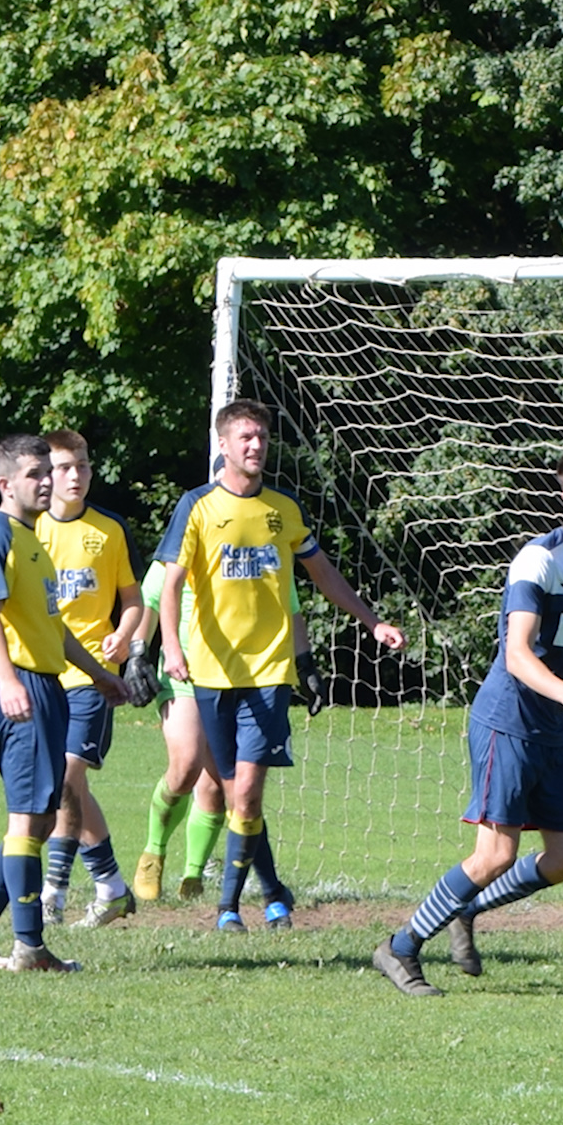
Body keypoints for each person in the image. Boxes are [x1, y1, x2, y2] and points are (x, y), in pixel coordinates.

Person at [373, 441, 563, 996]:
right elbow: (517, 655)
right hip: (506, 719)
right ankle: (401, 946)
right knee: (496, 853)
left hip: (548, 725)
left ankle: (465, 908)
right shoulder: (539, 559)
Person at [155, 399, 404, 931]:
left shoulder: (283, 509)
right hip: (210, 671)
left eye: (261, 437)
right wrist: (172, 649)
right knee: (229, 792)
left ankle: (227, 908)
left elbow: (322, 574)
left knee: (247, 791)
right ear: (222, 445)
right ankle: (272, 890)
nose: (255, 445)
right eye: (244, 436)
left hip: (269, 672)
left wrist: (371, 620)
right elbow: (171, 585)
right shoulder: (197, 506)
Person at [0, 434, 128, 972]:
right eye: (34, 474)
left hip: (48, 686)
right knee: (27, 820)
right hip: (21, 684)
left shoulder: (35, 541)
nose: (47, 481)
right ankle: (29, 945)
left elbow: (56, 625)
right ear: (5, 484)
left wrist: (98, 674)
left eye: (48, 471)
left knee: (44, 819)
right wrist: (6, 680)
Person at [129, 542, 315, 905]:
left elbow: (290, 609)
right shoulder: (182, 545)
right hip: (182, 673)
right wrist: (138, 654)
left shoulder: (259, 550)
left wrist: (305, 664)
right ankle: (153, 852)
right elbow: (149, 603)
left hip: (234, 680)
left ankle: (193, 874)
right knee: (185, 766)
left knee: (216, 788)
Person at [33, 430, 145, 927]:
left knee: (67, 778)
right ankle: (112, 887)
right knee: (66, 787)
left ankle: (52, 894)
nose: (75, 475)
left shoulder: (109, 530)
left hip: (93, 678)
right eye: (64, 467)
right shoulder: (28, 530)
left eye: (82, 465)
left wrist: (124, 636)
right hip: (42, 673)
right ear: (45, 474)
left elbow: (134, 600)